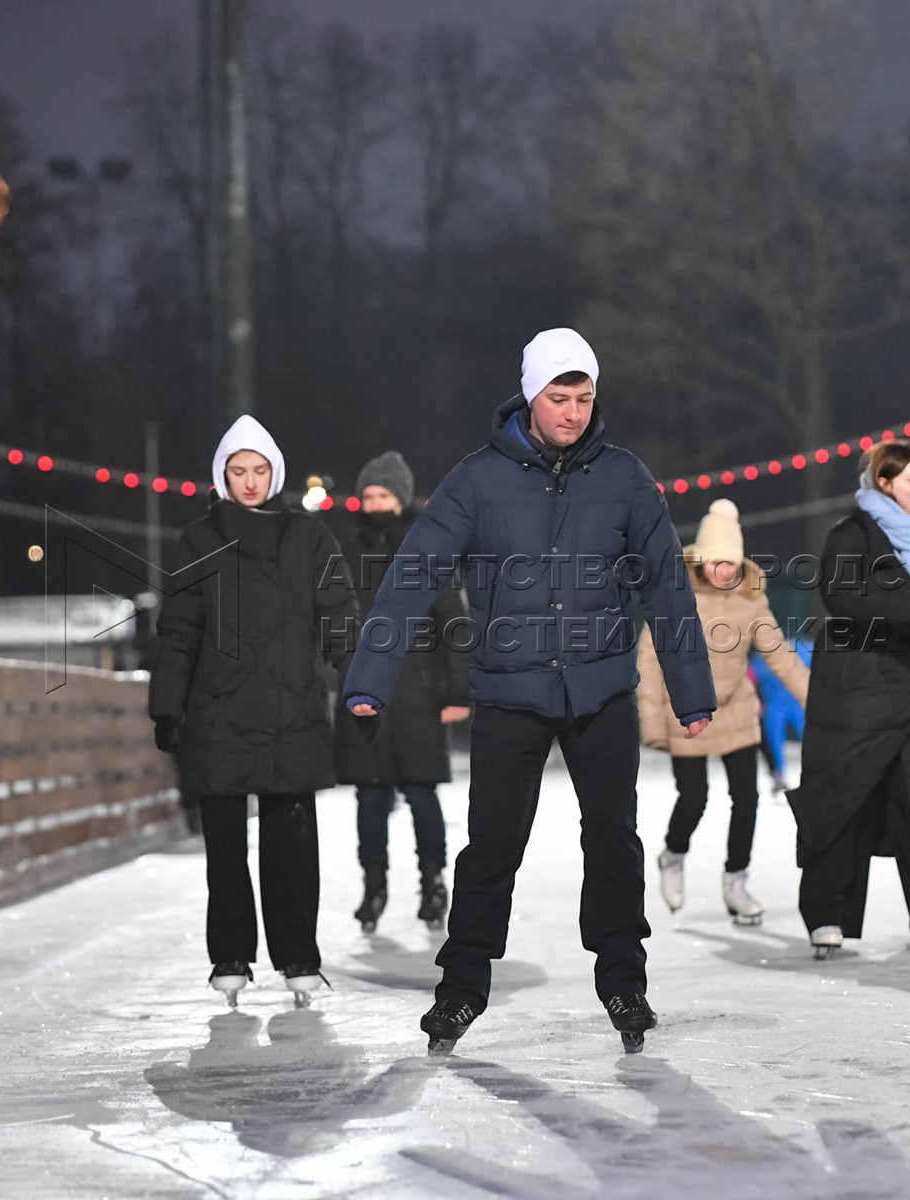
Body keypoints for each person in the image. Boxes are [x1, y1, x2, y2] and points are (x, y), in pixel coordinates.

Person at [343, 327, 717, 1055]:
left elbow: (668, 588)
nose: (573, 412)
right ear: (529, 395)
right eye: (559, 397)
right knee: (492, 849)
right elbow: (411, 579)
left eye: (584, 398)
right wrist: (369, 680)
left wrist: (691, 691)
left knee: (613, 841)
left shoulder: (624, 477)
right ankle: (460, 991)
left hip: (602, 688)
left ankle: (623, 980)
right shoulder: (478, 480)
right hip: (511, 692)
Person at [149, 415, 358, 1007]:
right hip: (217, 712)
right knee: (225, 847)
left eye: (259, 470)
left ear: (276, 474)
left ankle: (298, 959)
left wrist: (361, 682)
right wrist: (167, 706)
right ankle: (230, 956)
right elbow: (179, 630)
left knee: (292, 845)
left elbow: (338, 614)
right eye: (237, 470)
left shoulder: (309, 537)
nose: (248, 481)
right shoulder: (197, 540)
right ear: (221, 475)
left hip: (289, 708)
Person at [790, 441, 910, 959]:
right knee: (845, 802)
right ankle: (827, 916)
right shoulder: (851, 534)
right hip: (858, 693)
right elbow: (840, 594)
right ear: (885, 483)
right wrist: (904, 609)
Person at [637, 498, 808, 927]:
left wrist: (816, 700)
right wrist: (655, 722)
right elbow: (650, 659)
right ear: (700, 558)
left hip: (736, 711)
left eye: (731, 562)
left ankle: (736, 878)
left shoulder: (751, 601)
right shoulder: (676, 595)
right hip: (688, 713)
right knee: (694, 798)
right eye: (717, 562)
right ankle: (673, 855)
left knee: (746, 799)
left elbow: (781, 657)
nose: (725, 570)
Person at [334, 450, 471, 933]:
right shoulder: (345, 555)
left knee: (420, 792)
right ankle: (374, 886)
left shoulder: (427, 550)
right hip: (362, 692)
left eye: (384, 495)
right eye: (368, 495)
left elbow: (454, 624)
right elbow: (333, 622)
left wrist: (458, 692)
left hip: (417, 691)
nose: (375, 504)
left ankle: (433, 883)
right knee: (370, 797)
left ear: (403, 498)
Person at [753, 639, 811, 794]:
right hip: (782, 702)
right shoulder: (803, 650)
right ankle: (779, 775)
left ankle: (780, 775)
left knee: (806, 738)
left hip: (792, 702)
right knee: (776, 741)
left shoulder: (766, 655)